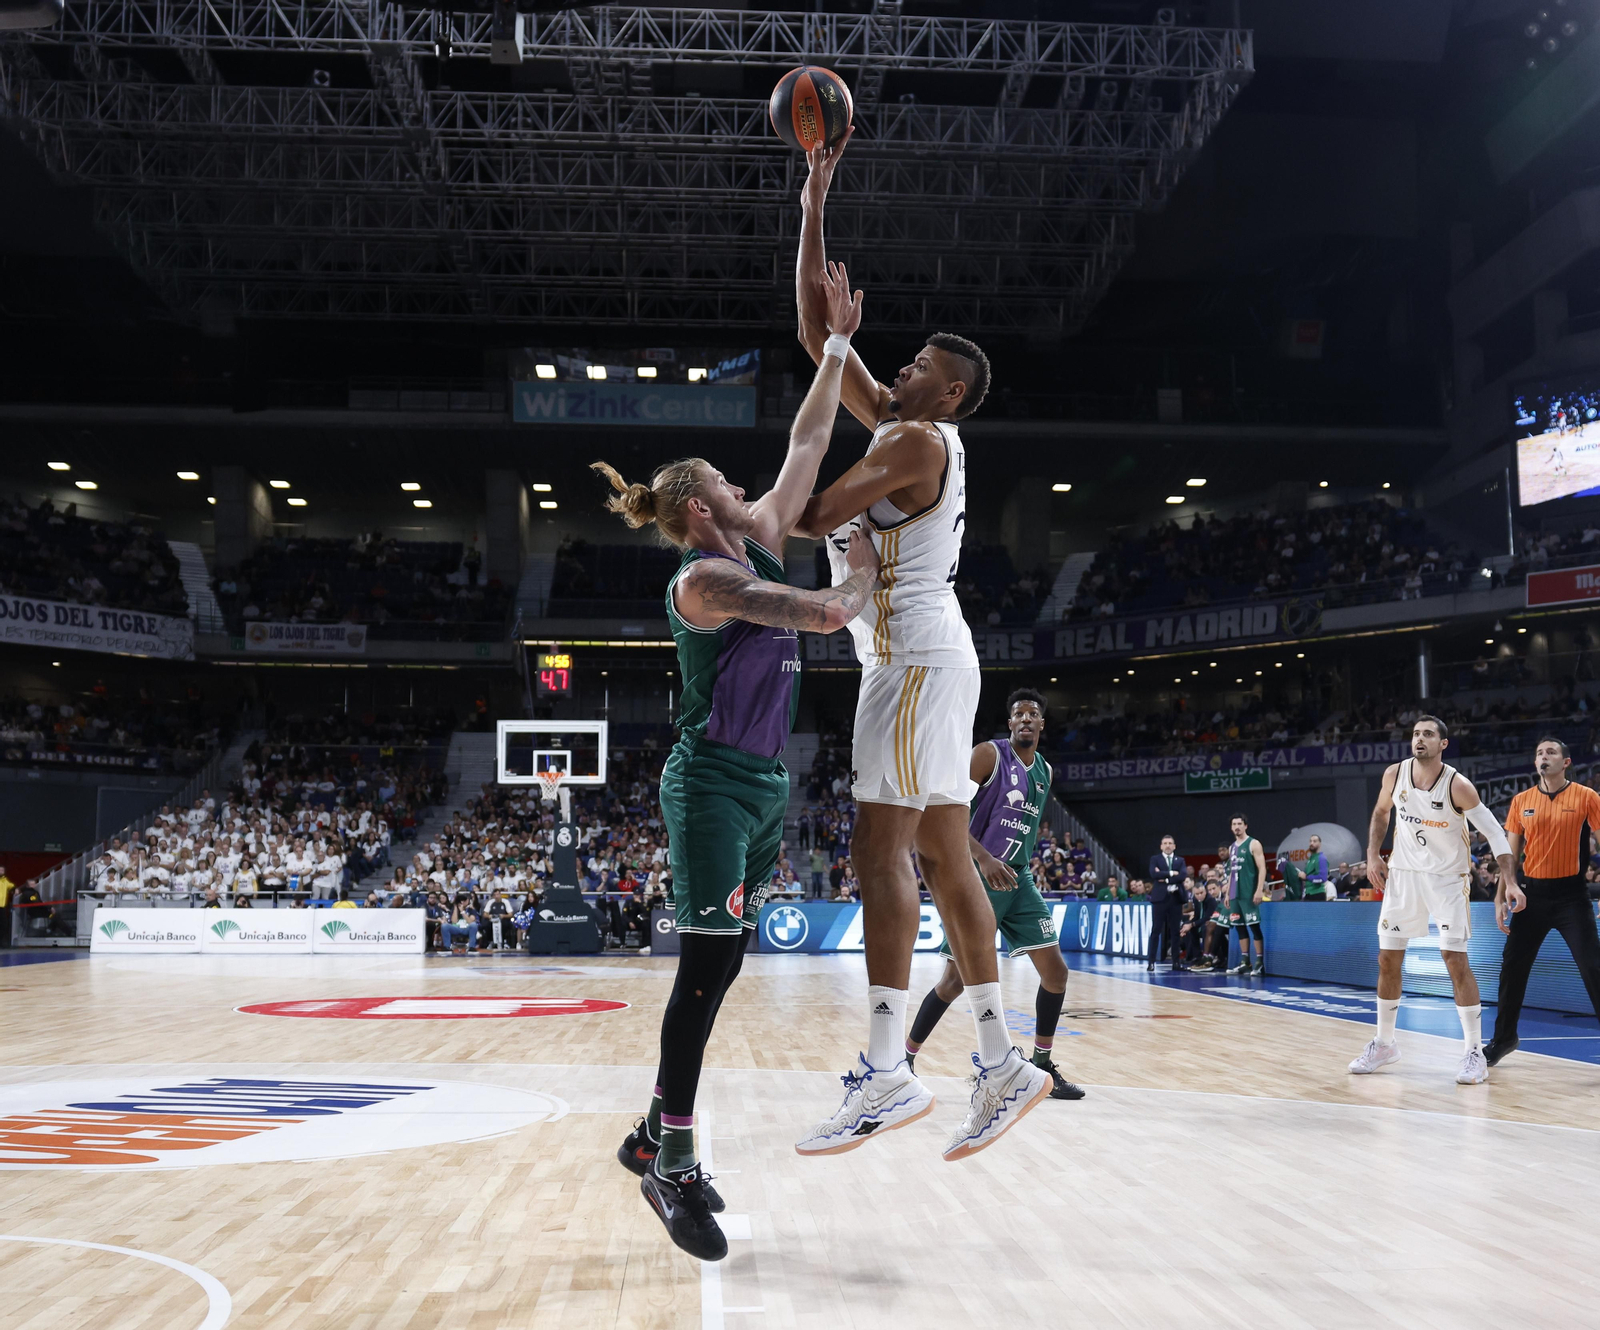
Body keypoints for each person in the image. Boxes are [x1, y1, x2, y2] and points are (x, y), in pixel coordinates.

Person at [602, 262, 878, 1263]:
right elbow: (820, 614)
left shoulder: (752, 537)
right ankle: (668, 1161)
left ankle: (649, 1131)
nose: (742, 481)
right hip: (711, 779)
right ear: (695, 506)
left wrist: (838, 346)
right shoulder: (706, 581)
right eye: (724, 478)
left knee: (723, 969)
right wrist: (862, 564)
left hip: (764, 783)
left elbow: (809, 440)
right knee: (705, 965)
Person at [791, 131, 1050, 1165]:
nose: (895, 367)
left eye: (915, 367)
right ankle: (998, 1058)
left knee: (877, 852)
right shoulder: (910, 427)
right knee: (943, 856)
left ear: (945, 394)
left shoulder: (906, 438)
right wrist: (814, 199)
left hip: (907, 658)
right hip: (934, 652)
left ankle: (889, 1070)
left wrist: (833, 532)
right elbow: (820, 339)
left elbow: (807, 511)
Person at [903, 690, 1085, 1101]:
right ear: (1009, 723)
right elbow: (944, 812)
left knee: (1056, 974)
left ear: (1041, 725)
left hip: (1018, 880)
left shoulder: (1045, 772)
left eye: (1033, 714)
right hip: (977, 876)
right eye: (1018, 713)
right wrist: (983, 858)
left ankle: (1041, 1067)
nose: (1025, 719)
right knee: (952, 982)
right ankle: (904, 1060)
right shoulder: (988, 755)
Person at [1348, 716, 1515, 1085]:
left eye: (1428, 734)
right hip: (1403, 876)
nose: (1419, 739)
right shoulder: (1395, 774)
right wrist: (1373, 853)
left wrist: (1510, 880)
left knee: (1454, 959)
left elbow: (1494, 833)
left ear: (1443, 744)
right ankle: (1385, 1043)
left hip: (1447, 881)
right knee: (1387, 958)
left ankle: (1473, 1051)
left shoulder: (1459, 786)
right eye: (1415, 734)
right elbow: (1380, 813)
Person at [1484, 737, 1600, 1065]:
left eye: (1550, 752)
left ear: (1565, 762)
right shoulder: (1521, 801)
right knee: (1512, 969)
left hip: (1572, 897)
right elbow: (1509, 855)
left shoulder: (1587, 796)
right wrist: (1501, 894)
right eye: (1538, 753)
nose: (1542, 757)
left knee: (1594, 968)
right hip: (1531, 896)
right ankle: (1504, 1039)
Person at [1222, 816, 1268, 976]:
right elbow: (1231, 873)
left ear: (1246, 826)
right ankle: (1245, 962)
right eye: (1234, 824)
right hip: (1235, 893)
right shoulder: (1231, 847)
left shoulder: (1254, 843)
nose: (1237, 827)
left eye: (1239, 824)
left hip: (1249, 892)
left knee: (1254, 926)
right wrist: (1227, 894)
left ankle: (1260, 962)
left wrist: (1259, 890)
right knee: (1240, 928)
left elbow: (1262, 868)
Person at [1147, 834, 1187, 971]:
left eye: (1170, 843)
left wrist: (1165, 878)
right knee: (1156, 930)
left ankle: (1176, 962)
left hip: (1175, 898)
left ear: (1174, 846)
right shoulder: (1155, 859)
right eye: (1165, 843)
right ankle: (1151, 961)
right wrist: (1171, 873)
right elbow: (1153, 874)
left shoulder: (1180, 860)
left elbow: (1182, 876)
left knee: (1175, 931)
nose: (1168, 845)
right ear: (1161, 846)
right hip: (1160, 899)